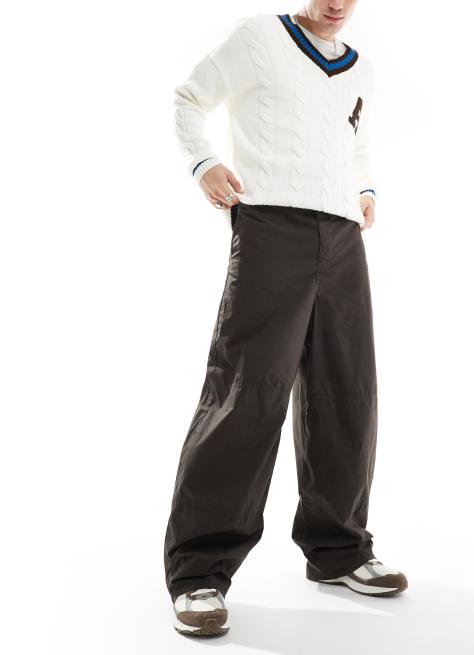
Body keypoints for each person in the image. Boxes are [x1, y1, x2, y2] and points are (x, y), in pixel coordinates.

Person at [164, 1, 408, 637]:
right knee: (247, 392)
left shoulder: (359, 68)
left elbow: (355, 138)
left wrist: (365, 189)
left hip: (342, 236)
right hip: (270, 224)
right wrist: (203, 164)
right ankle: (198, 571)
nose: (337, 3)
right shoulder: (257, 38)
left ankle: (339, 550)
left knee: (346, 391)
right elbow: (189, 98)